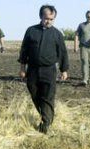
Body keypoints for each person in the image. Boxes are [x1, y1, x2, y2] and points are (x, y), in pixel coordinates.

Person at [18, 4, 69, 134]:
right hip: (33, 69)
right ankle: (46, 114)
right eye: (47, 18)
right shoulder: (31, 31)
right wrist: (22, 68)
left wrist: (64, 70)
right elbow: (24, 50)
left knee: (48, 96)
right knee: (35, 94)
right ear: (41, 17)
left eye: (52, 19)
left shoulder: (57, 34)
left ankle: (45, 123)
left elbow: (62, 52)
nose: (49, 21)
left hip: (49, 70)